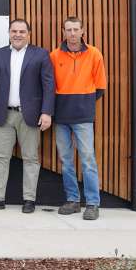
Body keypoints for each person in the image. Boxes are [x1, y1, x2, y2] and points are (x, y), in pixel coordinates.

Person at [0, 19, 55, 213]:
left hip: (30, 116)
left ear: (29, 33)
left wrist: (47, 112)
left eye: (22, 31)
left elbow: (49, 86)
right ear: (9, 33)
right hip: (4, 115)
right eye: (14, 31)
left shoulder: (41, 54)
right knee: (0, 157)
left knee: (30, 158)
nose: (18, 34)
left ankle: (29, 200)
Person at [50, 16, 107, 221]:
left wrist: (83, 103)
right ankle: (73, 200)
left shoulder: (94, 54)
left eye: (76, 29)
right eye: (68, 30)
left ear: (83, 31)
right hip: (61, 117)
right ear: (63, 32)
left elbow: (100, 87)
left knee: (88, 160)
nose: (72, 33)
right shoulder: (55, 56)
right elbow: (50, 87)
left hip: (83, 117)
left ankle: (92, 203)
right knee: (66, 160)